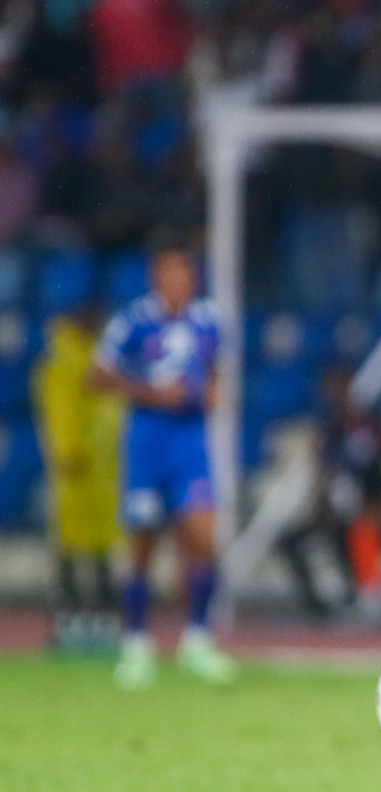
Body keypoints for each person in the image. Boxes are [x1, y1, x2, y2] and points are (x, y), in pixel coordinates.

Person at [89, 230, 232, 688]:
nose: (177, 283)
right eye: (169, 275)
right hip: (147, 440)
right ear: (156, 278)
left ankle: (197, 639)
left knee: (203, 536)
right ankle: (135, 644)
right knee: (143, 541)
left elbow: (213, 374)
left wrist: (210, 392)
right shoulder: (132, 321)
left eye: (184, 275)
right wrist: (151, 393)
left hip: (190, 442)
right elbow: (96, 377)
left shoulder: (210, 320)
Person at [32, 300, 121, 648]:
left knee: (99, 542)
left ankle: (101, 617)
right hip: (77, 467)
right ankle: (68, 616)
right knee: (71, 541)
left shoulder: (98, 357)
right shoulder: (64, 359)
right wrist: (68, 452)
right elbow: (59, 409)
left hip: (103, 468)